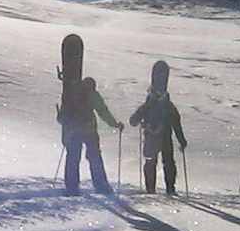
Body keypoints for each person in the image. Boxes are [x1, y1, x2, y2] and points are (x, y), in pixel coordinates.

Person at [57, 34, 121, 196]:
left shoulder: (70, 91)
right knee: (94, 157)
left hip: (72, 129)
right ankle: (101, 185)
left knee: (73, 157)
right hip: (89, 130)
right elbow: (103, 111)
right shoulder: (91, 93)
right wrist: (115, 124)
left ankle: (71, 187)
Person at [128, 60, 189, 194]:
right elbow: (176, 123)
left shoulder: (148, 104)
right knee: (168, 163)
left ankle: (150, 189)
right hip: (165, 137)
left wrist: (137, 120)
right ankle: (170, 189)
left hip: (151, 136)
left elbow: (133, 120)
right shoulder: (169, 106)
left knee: (150, 162)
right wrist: (181, 140)